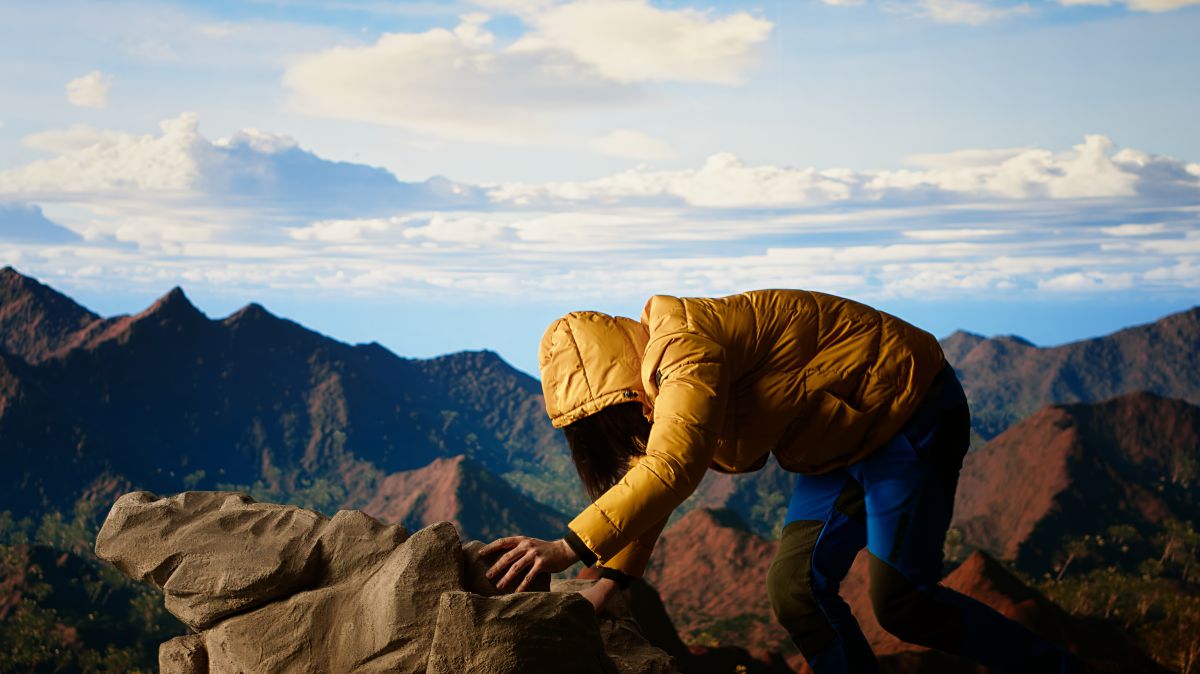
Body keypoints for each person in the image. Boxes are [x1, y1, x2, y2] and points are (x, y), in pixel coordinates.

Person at [481, 289, 1083, 674]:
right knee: (795, 591)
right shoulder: (651, 384)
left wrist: (566, 548)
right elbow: (653, 465)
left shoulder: (682, 348)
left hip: (906, 407)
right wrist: (612, 579)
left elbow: (674, 465)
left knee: (903, 604)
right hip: (835, 440)